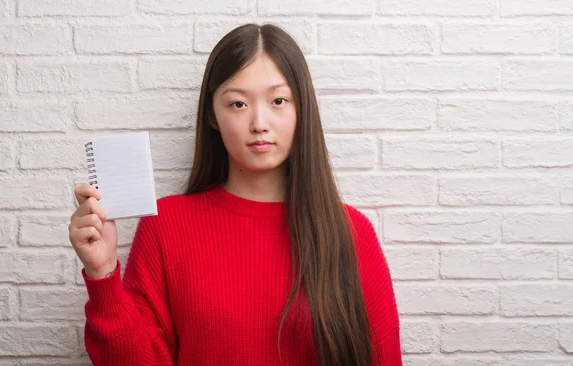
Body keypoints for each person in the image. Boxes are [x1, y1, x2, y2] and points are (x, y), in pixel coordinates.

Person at [68, 23, 402, 366]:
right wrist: (103, 272)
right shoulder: (166, 226)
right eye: (238, 103)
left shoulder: (350, 232)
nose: (259, 122)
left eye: (278, 100)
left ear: (301, 110)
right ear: (213, 115)